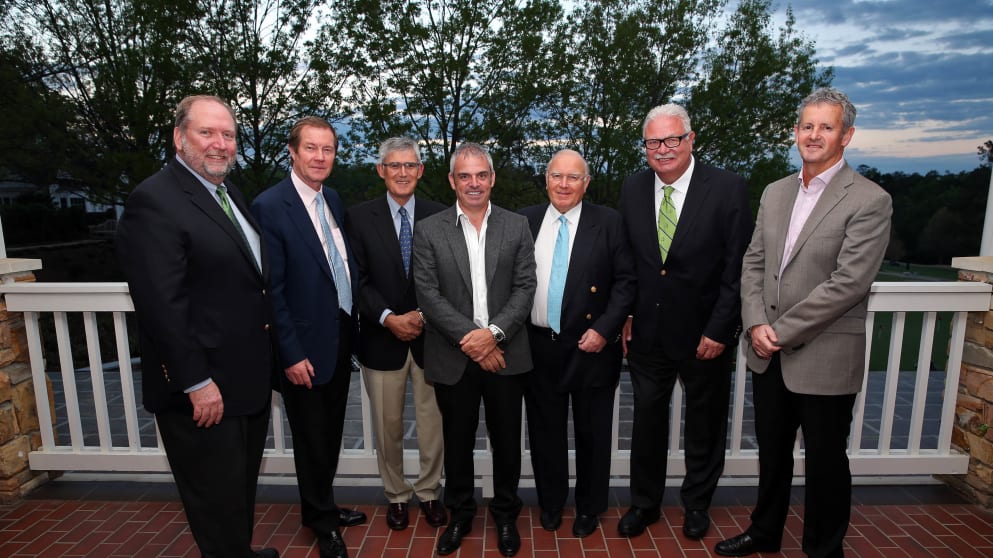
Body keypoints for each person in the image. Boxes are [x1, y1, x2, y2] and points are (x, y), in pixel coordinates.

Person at [715, 88, 892, 558]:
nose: (814, 135)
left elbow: (849, 283)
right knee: (772, 455)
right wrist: (755, 324)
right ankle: (764, 533)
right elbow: (753, 263)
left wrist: (781, 332)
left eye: (826, 127)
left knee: (826, 462)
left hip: (824, 355)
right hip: (765, 351)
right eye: (806, 126)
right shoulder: (776, 193)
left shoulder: (870, 200)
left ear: (846, 135)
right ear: (796, 132)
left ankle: (823, 548)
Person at [116, 95, 279, 558]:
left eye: (228, 135)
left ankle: (239, 552)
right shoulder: (155, 200)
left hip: (243, 380)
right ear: (179, 137)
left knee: (236, 492)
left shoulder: (228, 194)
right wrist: (195, 381)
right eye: (207, 132)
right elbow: (159, 304)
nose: (220, 144)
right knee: (215, 502)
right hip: (204, 389)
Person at [618, 104, 753, 540]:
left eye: (672, 139)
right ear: (645, 148)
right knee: (647, 424)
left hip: (704, 335)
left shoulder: (728, 188)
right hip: (647, 336)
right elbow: (632, 263)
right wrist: (629, 314)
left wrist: (719, 330)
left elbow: (737, 268)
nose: (663, 150)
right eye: (653, 142)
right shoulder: (633, 188)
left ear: (691, 139)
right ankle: (644, 505)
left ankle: (697, 505)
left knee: (704, 425)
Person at [412, 142, 536, 557]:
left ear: (493, 178)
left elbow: (524, 288)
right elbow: (428, 295)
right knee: (457, 441)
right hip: (454, 358)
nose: (474, 183)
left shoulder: (517, 226)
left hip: (506, 355)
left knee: (506, 441)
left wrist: (495, 333)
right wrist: (476, 341)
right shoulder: (429, 229)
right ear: (451, 181)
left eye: (481, 174)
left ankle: (505, 515)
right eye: (465, 175)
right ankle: (461, 514)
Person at [250, 117, 366, 558]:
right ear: (293, 152)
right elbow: (271, 290)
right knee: (311, 436)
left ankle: (326, 505)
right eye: (311, 149)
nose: (320, 157)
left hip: (337, 339)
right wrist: (290, 354)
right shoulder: (270, 206)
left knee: (330, 431)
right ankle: (320, 520)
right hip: (303, 350)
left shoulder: (331, 199)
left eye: (328, 149)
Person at [519, 149, 636, 538]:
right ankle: (551, 503)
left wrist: (605, 328)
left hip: (591, 344)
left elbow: (625, 282)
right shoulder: (526, 221)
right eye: (557, 176)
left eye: (573, 177)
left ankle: (589, 507)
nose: (564, 184)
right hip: (539, 344)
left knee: (592, 433)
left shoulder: (609, 222)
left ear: (586, 183)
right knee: (545, 432)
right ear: (546, 179)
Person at [345, 137, 448, 531]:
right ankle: (397, 496)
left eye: (410, 165)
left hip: (430, 338)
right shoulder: (358, 217)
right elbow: (357, 279)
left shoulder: (441, 215)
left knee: (431, 423)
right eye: (394, 166)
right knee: (387, 426)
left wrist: (421, 315)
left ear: (420, 171)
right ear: (381, 171)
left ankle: (428, 492)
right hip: (379, 337)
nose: (402, 173)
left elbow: (446, 279)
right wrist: (389, 317)